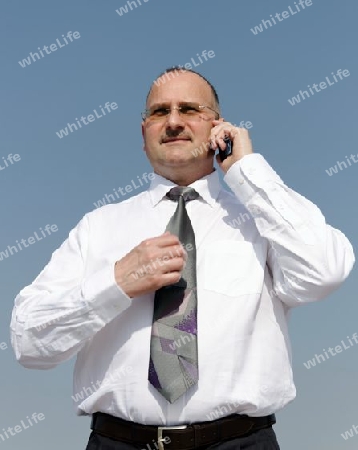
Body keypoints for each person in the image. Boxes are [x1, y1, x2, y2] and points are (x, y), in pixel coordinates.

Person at [10, 67, 354, 450]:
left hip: (240, 443)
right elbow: (29, 341)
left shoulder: (261, 221)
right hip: (118, 443)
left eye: (189, 109)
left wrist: (247, 171)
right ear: (144, 135)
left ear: (217, 127)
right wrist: (117, 283)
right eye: (159, 112)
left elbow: (324, 272)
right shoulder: (98, 227)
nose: (173, 122)